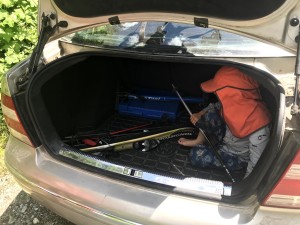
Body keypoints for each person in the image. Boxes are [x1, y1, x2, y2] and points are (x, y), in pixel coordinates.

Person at [178, 66, 271, 179]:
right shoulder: (232, 103)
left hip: (236, 156)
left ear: (233, 94)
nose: (216, 94)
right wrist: (200, 114)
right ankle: (199, 140)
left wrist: (245, 182)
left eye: (219, 92)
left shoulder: (259, 124)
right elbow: (215, 106)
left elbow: (256, 161)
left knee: (196, 155)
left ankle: (206, 146)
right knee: (210, 113)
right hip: (225, 140)